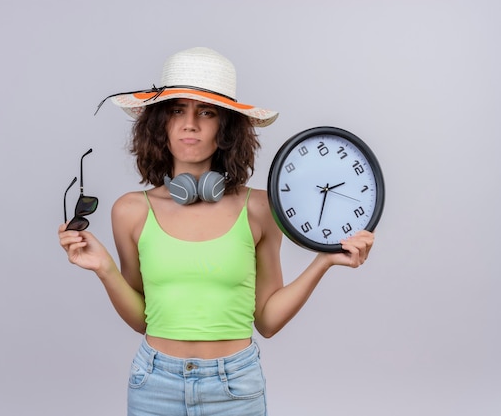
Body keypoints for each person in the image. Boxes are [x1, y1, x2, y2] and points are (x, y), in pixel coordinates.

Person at [58, 47, 374, 416]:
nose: (190, 124)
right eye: (177, 110)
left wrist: (323, 261)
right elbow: (143, 319)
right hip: (154, 383)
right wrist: (103, 269)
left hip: (235, 386)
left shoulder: (259, 208)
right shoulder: (130, 211)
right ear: (160, 123)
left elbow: (268, 321)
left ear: (225, 127)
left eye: (205, 112)